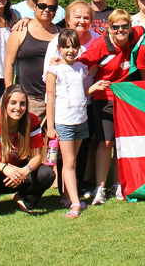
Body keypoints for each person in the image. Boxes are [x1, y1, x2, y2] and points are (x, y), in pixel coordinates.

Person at [77, 9, 145, 205]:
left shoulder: (136, 34)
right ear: (109, 28)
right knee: (106, 142)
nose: (120, 31)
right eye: (115, 27)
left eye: (124, 26)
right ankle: (100, 186)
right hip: (104, 97)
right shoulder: (100, 46)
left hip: (126, 99)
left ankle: (119, 183)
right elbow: (81, 64)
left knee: (122, 142)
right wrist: (61, 64)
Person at [45, 30, 109, 218]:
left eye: (74, 46)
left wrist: (94, 88)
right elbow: (50, 100)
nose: (70, 50)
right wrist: (50, 126)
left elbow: (79, 92)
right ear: (59, 49)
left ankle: (66, 196)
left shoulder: (81, 68)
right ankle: (74, 202)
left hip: (81, 120)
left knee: (71, 161)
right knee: (69, 163)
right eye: (66, 47)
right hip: (64, 122)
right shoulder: (53, 71)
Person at [0, 85, 56, 216]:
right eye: (13, 103)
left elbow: (37, 156)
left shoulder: (32, 120)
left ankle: (24, 199)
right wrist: (5, 168)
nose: (18, 108)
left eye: (22, 104)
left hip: (19, 173)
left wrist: (24, 171)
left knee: (47, 174)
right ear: (4, 104)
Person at [4, 0, 60, 125]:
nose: (46, 10)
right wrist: (10, 92)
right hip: (29, 99)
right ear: (35, 7)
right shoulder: (20, 30)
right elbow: (9, 64)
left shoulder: (61, 33)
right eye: (42, 6)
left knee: (50, 143)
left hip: (56, 99)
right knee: (26, 141)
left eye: (51, 8)